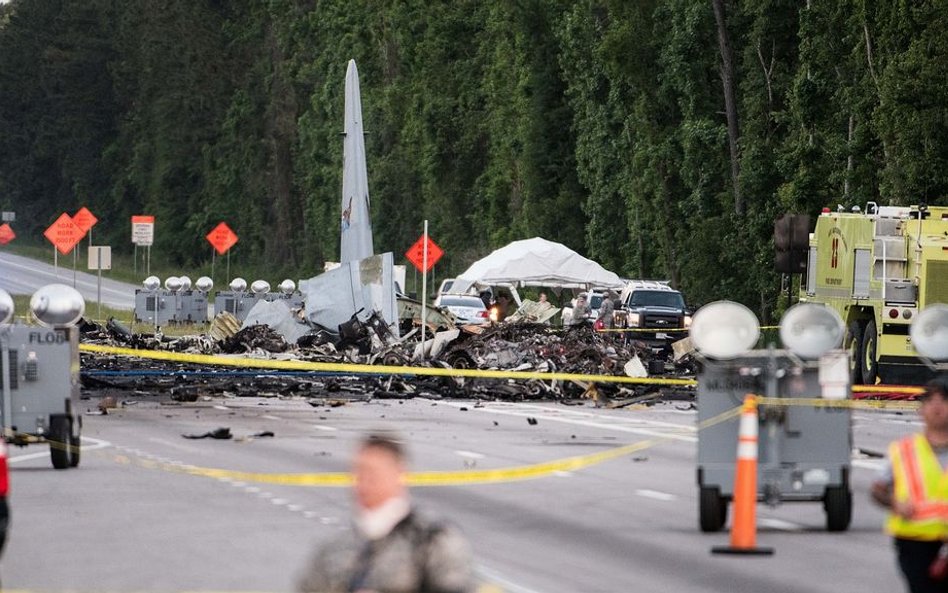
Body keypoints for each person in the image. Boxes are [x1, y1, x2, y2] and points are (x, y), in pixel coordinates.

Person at [297, 433, 474, 593]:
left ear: (399, 474)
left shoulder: (432, 542)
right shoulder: (336, 550)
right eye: (359, 473)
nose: (364, 484)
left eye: (373, 474)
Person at [871, 377, 948, 593]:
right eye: (930, 400)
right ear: (920, 410)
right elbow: (878, 488)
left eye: (944, 399)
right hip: (915, 542)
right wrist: (895, 504)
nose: (937, 406)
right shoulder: (904, 450)